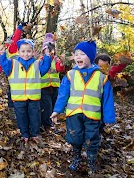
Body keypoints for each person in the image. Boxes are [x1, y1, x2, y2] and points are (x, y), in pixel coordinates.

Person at [50, 41, 116, 175]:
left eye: (82, 54)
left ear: (91, 57)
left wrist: (109, 117)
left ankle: (91, 160)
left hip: (93, 115)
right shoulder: (70, 75)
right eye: (76, 54)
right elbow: (63, 94)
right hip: (74, 114)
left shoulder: (102, 77)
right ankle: (76, 157)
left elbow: (108, 98)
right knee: (75, 137)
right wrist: (57, 110)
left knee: (92, 139)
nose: (78, 57)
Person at [0, 39, 52, 143]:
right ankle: (25, 134)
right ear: (18, 52)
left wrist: (47, 56)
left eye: (28, 51)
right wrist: (2, 54)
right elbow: (4, 64)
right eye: (23, 51)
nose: (26, 54)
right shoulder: (13, 63)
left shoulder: (37, 64)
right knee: (21, 117)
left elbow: (45, 67)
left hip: (34, 97)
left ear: (32, 52)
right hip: (18, 98)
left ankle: (35, 133)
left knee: (35, 116)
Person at [5, 22, 33, 119]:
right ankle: (12, 110)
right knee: (12, 92)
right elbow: (16, 38)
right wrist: (20, 26)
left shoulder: (22, 50)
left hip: (24, 76)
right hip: (14, 76)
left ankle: (21, 112)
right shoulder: (12, 48)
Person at [39, 33, 65, 132]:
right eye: (47, 49)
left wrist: (62, 63)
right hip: (44, 87)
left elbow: (60, 69)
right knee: (47, 106)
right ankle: (47, 125)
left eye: (51, 49)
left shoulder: (56, 60)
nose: (49, 51)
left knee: (53, 105)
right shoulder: (41, 60)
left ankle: (50, 121)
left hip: (54, 87)